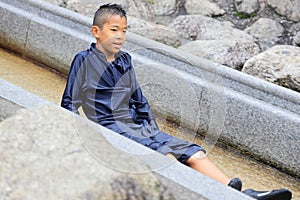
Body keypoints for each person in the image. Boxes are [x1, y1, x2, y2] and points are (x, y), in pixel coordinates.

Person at [61, 4, 292, 200]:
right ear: (96, 31)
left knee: (193, 152)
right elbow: (69, 102)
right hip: (109, 127)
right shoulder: (84, 61)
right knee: (164, 156)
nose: (120, 36)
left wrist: (150, 127)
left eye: (124, 30)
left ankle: (240, 194)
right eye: (114, 30)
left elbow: (138, 99)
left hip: (136, 126)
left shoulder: (125, 60)